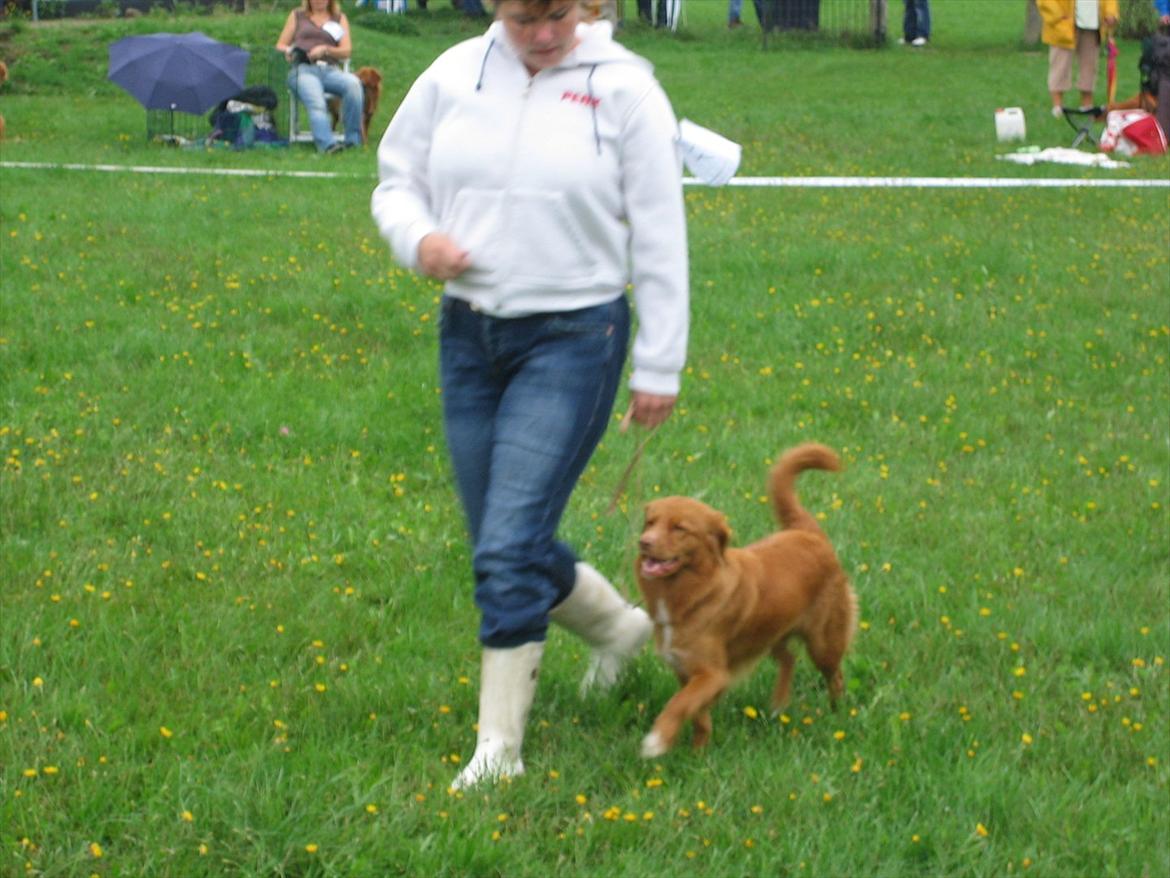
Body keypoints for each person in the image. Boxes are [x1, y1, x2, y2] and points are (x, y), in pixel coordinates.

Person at [371, 0, 688, 789]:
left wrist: (660, 362)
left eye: (557, 15)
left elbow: (660, 231)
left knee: (509, 546)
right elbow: (396, 182)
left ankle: (498, 753)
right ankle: (619, 629)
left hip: (575, 338)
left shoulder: (626, 89)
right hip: (468, 337)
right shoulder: (453, 74)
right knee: (502, 539)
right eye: (522, 18)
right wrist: (419, 239)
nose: (543, 35)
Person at [276, 0, 364, 153]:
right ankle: (327, 145)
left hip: (330, 70)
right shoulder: (297, 15)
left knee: (354, 85)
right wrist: (290, 51)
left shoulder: (339, 18)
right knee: (316, 99)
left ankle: (352, 140)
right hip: (303, 69)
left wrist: (326, 49)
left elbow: (346, 50)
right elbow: (280, 45)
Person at [1038, 0, 1120, 117]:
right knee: (1060, 64)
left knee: (1089, 66)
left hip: (1093, 25)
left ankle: (1087, 105)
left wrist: (1110, 13)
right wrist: (1057, 16)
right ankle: (1057, 106)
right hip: (1062, 25)